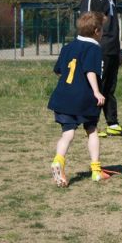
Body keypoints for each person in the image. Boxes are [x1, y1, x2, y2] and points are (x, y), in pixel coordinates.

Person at [48, 12, 110, 187]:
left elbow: (59, 70)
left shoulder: (68, 47)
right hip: (84, 97)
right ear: (97, 31)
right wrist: (97, 92)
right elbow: (90, 71)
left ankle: (58, 161)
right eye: (102, 30)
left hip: (63, 96)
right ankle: (96, 171)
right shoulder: (94, 48)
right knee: (91, 130)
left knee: (67, 134)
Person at [79, 0, 122, 137]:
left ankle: (113, 124)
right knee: (97, 87)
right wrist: (89, 49)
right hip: (98, 50)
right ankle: (92, 125)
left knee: (110, 88)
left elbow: (113, 28)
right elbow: (86, 23)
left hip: (112, 50)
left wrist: (118, 52)